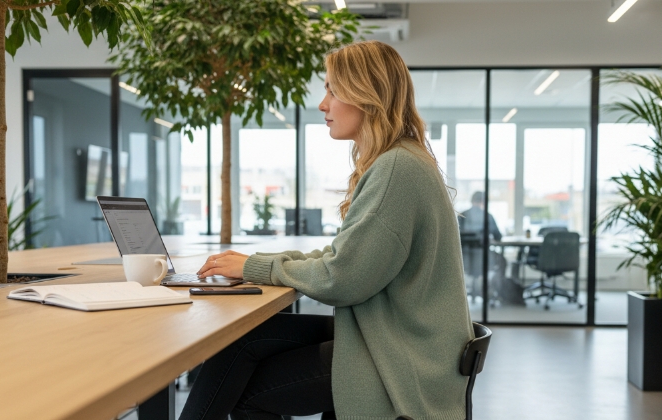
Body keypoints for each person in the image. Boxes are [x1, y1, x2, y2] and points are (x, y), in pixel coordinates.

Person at [178, 40, 473, 420]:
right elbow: (343, 258)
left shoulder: (397, 168)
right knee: (240, 345)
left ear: (367, 94)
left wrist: (255, 268)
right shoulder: (400, 160)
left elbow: (341, 279)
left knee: (243, 390)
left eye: (332, 89)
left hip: (400, 357)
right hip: (396, 337)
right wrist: (254, 262)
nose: (323, 104)